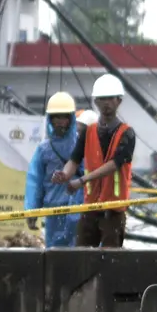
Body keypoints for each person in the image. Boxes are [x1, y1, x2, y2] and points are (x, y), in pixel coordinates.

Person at [51, 74, 136, 248]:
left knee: (110, 260)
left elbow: (114, 164)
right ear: (96, 102)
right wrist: (64, 174)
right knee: (82, 256)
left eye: (110, 99)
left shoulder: (127, 134)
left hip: (114, 211)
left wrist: (82, 180)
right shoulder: (88, 132)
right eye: (102, 99)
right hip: (90, 208)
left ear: (119, 101)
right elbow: (74, 160)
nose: (106, 103)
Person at [25, 92, 83, 247]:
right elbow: (35, 181)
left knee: (77, 255)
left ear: (71, 118)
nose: (60, 121)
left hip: (78, 210)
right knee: (54, 255)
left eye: (64, 117)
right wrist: (32, 211)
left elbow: (89, 175)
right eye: (56, 117)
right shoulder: (44, 149)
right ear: (50, 119)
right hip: (53, 212)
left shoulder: (81, 143)